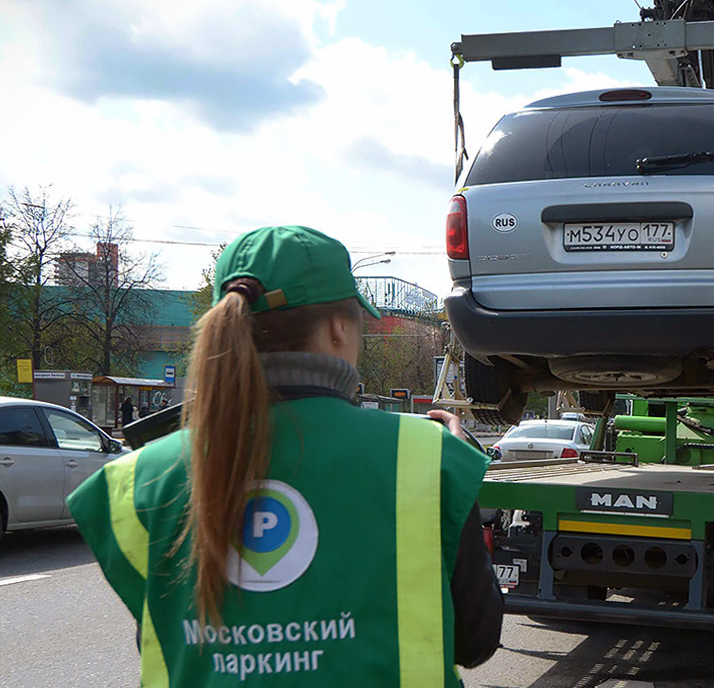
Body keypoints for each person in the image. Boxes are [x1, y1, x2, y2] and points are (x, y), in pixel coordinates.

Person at [66, 226, 502, 686]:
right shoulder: (425, 458)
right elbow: (475, 642)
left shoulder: (142, 477)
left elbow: (164, 640)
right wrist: (454, 470)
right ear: (338, 329)